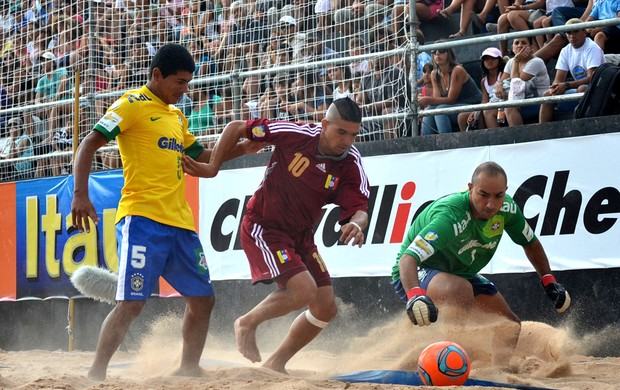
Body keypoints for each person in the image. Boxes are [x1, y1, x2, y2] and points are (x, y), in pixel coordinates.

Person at [70, 43, 258, 381]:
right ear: (157, 75)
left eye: (188, 83)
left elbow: (202, 157)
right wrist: (80, 194)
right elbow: (89, 144)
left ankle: (188, 369)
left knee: (203, 300)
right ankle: (96, 373)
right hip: (142, 220)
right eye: (180, 82)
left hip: (180, 224)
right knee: (131, 304)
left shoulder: (176, 116)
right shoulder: (131, 105)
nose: (185, 90)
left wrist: (243, 148)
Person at [181, 97, 370, 374]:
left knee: (326, 307)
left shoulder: (351, 163)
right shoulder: (297, 134)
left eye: (353, 135)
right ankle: (246, 322)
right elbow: (235, 127)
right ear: (324, 124)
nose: (347, 141)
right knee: (304, 290)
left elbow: (361, 208)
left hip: (301, 235)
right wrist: (212, 168)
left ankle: (277, 362)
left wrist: (358, 224)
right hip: (263, 225)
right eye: (341, 132)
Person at [391, 161, 571, 364]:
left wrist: (548, 281)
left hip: (460, 273)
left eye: (498, 196)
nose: (491, 204)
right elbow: (408, 260)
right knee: (460, 290)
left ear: (505, 192)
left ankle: (495, 373)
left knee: (509, 325)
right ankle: (444, 359)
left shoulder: (508, 209)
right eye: (483, 194)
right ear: (470, 189)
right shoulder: (449, 216)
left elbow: (530, 243)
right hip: (417, 272)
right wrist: (414, 295)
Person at [539, 18, 605, 122]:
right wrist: (555, 88)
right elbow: (558, 79)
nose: (572, 36)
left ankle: (584, 125)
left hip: (598, 89)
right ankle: (542, 133)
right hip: (578, 87)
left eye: (576, 31)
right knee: (547, 94)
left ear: (584, 32)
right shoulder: (565, 50)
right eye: (569, 32)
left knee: (582, 89)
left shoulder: (592, 48)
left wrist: (567, 85)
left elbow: (592, 78)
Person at [420, 46, 482, 135]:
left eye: (441, 50)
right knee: (429, 110)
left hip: (472, 105)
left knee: (440, 111)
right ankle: (426, 144)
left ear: (449, 53)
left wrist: (427, 99)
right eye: (434, 51)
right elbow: (437, 99)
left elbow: (451, 99)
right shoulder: (434, 74)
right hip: (453, 106)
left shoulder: (457, 70)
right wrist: (424, 100)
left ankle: (446, 142)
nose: (437, 54)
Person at [496, 36, 550, 126]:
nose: (520, 46)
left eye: (524, 43)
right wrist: (498, 85)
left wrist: (517, 60)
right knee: (488, 111)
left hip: (537, 100)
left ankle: (517, 137)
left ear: (531, 47)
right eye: (516, 43)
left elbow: (516, 84)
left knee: (509, 106)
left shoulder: (536, 62)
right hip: (520, 98)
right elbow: (502, 80)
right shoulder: (511, 61)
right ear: (512, 47)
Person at [458, 47, 506, 131]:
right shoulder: (484, 81)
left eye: (493, 58)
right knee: (462, 117)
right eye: (486, 59)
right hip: (489, 106)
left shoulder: (504, 75)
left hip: (502, 106)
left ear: (499, 60)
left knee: (481, 113)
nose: (489, 61)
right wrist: (475, 111)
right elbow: (484, 101)